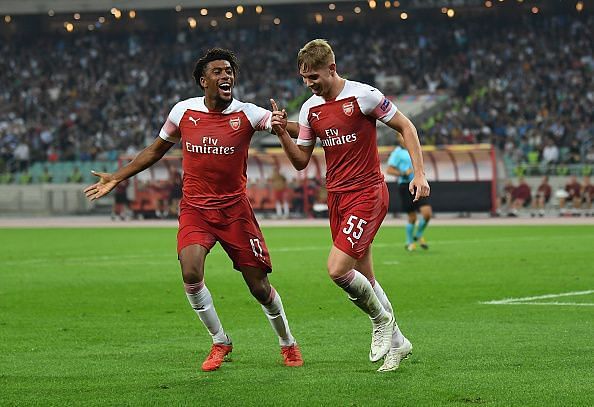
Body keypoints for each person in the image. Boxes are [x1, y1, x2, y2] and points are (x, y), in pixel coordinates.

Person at [84, 48, 302, 371]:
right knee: (190, 272)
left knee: (259, 287)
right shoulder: (183, 112)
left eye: (229, 71)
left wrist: (293, 126)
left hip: (235, 211)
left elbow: (289, 127)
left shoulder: (248, 113)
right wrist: (117, 176)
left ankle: (288, 343)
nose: (226, 75)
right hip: (195, 209)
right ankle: (220, 340)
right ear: (203, 81)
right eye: (218, 72)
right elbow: (156, 150)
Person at [271, 39, 430, 372]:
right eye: (304, 78)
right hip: (338, 197)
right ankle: (399, 344)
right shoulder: (309, 109)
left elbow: (406, 126)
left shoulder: (363, 96)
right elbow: (301, 160)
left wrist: (419, 173)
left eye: (314, 77)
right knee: (364, 277)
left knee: (337, 269)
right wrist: (282, 133)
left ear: (332, 67)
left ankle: (381, 321)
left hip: (368, 193)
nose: (309, 84)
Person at [387, 133, 433, 251]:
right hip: (405, 185)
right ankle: (409, 242)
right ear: (398, 138)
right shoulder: (397, 153)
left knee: (427, 213)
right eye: (401, 136)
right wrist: (403, 173)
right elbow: (389, 170)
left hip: (419, 183)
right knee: (412, 217)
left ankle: (418, 235)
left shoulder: (415, 148)